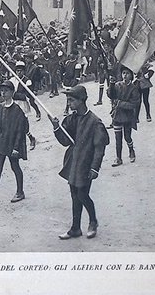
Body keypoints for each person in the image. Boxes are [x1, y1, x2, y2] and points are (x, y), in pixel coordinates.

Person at [48, 84, 109, 240]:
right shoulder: (71, 119)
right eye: (68, 100)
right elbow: (65, 141)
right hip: (73, 163)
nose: (69, 104)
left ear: (82, 100)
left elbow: (99, 148)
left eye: (72, 100)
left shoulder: (95, 122)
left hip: (86, 164)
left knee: (82, 194)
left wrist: (95, 168)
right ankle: (75, 228)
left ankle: (93, 221)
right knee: (74, 195)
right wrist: (56, 127)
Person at [108, 66, 139, 166]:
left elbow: (134, 104)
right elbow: (111, 95)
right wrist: (111, 84)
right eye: (123, 73)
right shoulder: (117, 85)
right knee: (118, 138)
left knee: (127, 136)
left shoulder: (133, 88)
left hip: (127, 116)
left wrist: (120, 103)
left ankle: (131, 150)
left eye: (127, 73)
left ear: (131, 75)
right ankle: (118, 158)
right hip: (117, 115)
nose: (125, 75)